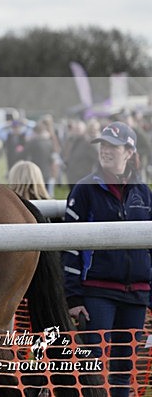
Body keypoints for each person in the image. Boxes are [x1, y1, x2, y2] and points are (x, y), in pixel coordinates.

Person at [62, 121, 152, 396]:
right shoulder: (84, 190)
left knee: (123, 372)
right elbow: (70, 247)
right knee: (92, 371)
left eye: (113, 146)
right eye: (103, 145)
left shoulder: (144, 192)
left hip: (136, 295)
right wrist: (74, 299)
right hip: (97, 294)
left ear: (129, 151)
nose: (106, 151)